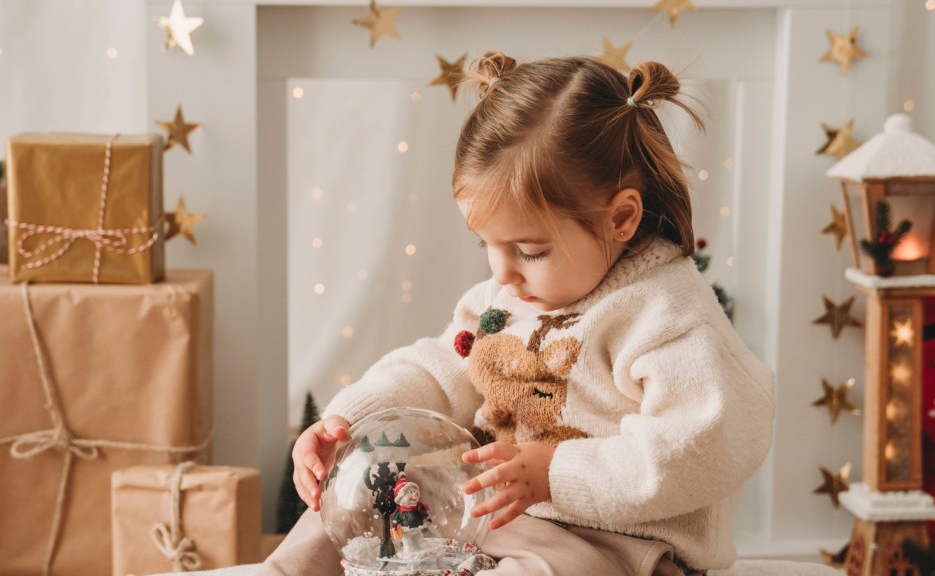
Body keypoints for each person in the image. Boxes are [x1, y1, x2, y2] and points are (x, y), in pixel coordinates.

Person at [262, 52, 775, 576]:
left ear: (620, 218)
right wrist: (350, 420)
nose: (502, 272)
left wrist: (559, 475)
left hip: (611, 542)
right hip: (489, 512)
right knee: (359, 493)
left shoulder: (664, 314)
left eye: (529, 250)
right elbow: (439, 369)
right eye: (487, 243)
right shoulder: (503, 300)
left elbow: (702, 444)